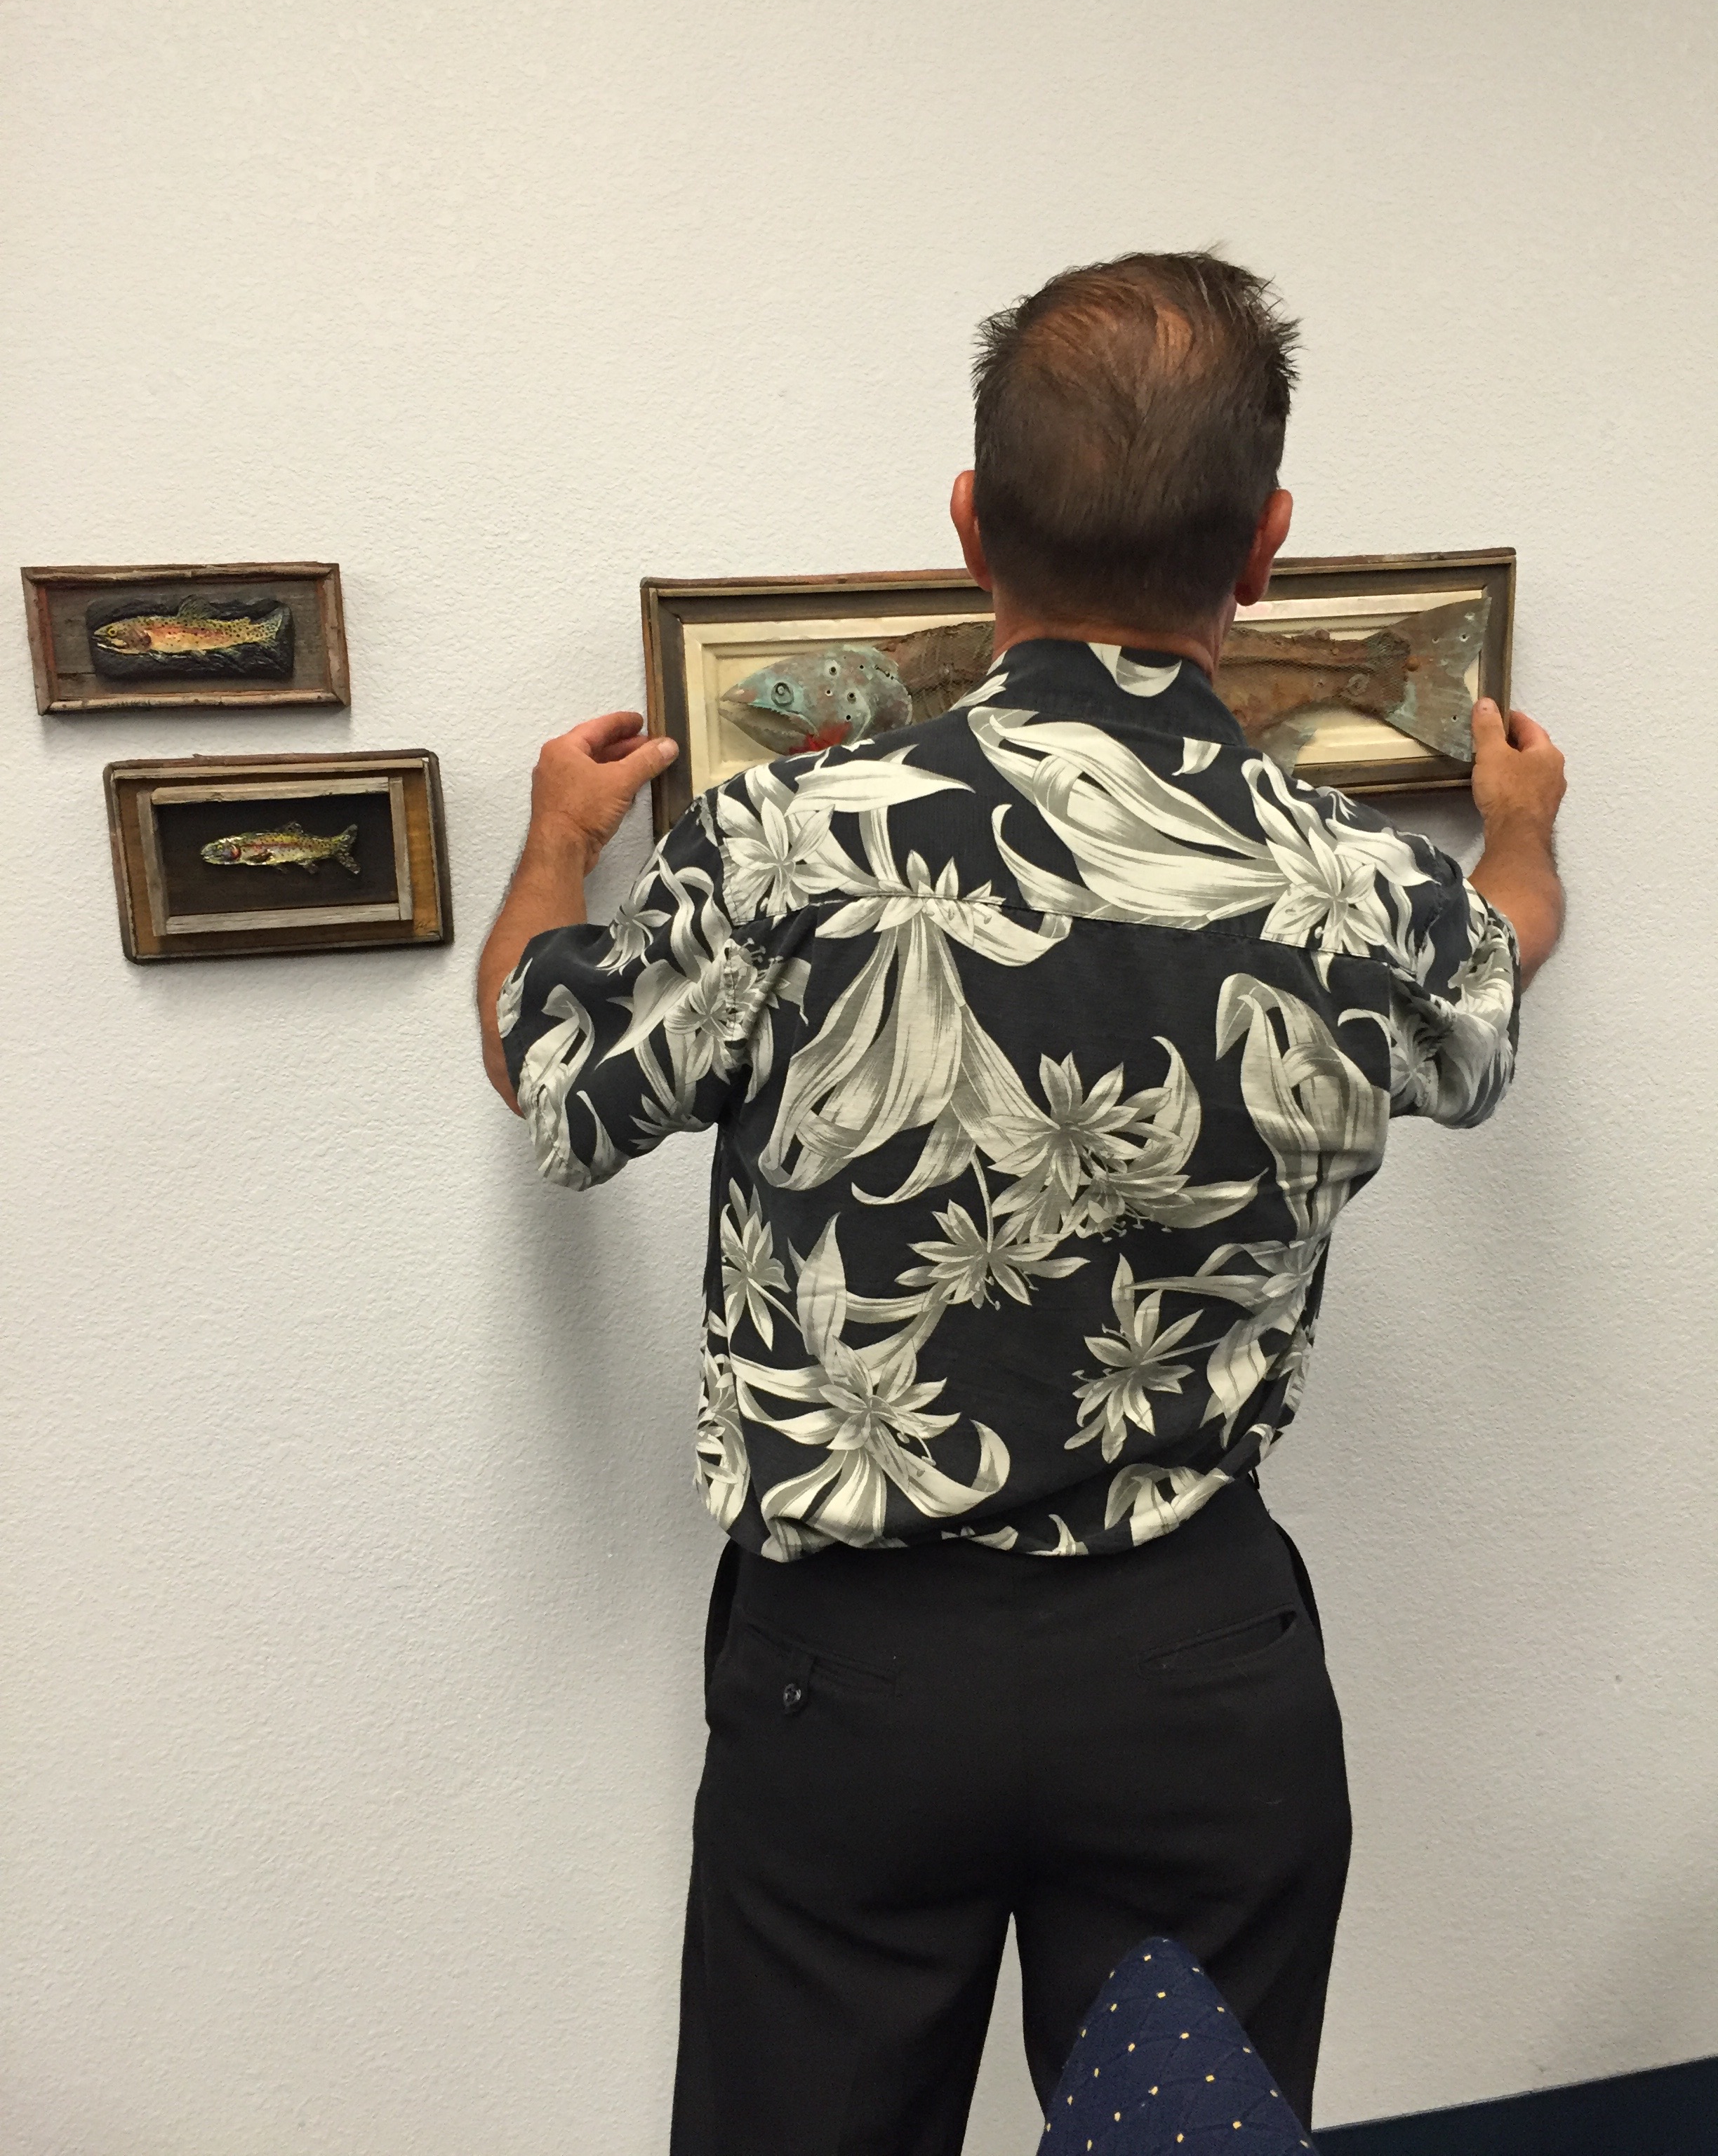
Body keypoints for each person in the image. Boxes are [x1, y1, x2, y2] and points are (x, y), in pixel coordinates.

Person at [477, 252, 1566, 2153]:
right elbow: (1489, 986)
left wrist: (560, 849)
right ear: (1268, 546)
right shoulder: (1370, 892)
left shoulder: (789, 841)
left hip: (857, 1679)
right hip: (1195, 1668)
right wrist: (1526, 837)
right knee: (1177, 2137)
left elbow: (557, 1083)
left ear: (972, 522)